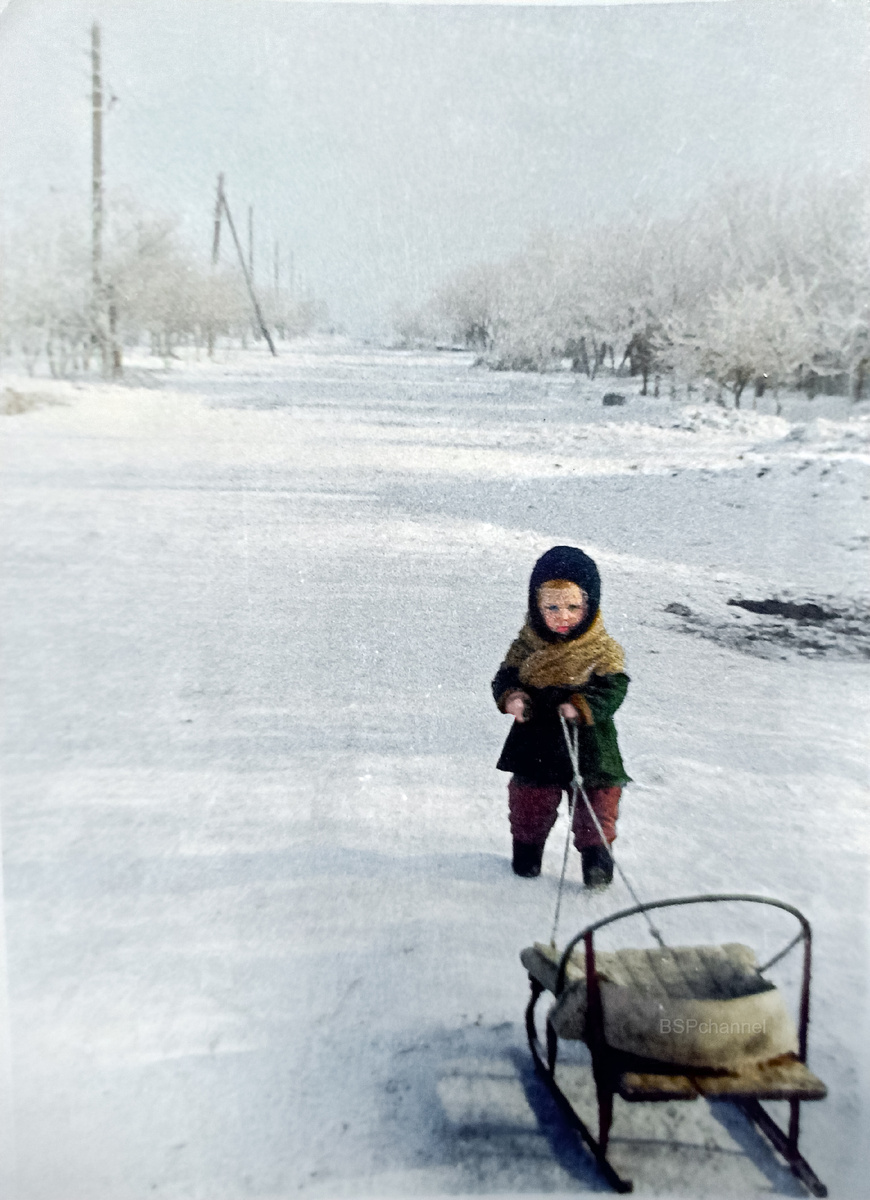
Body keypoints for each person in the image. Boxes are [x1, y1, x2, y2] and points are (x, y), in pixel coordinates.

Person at [491, 545, 631, 885]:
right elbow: (505, 677)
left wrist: (584, 706)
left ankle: (597, 860)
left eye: (573, 606)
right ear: (536, 606)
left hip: (590, 744)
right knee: (530, 801)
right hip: (536, 739)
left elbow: (614, 688)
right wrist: (512, 697)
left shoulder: (603, 650)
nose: (562, 615)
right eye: (551, 606)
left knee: (596, 804)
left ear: (590, 605)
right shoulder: (526, 646)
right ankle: (527, 852)